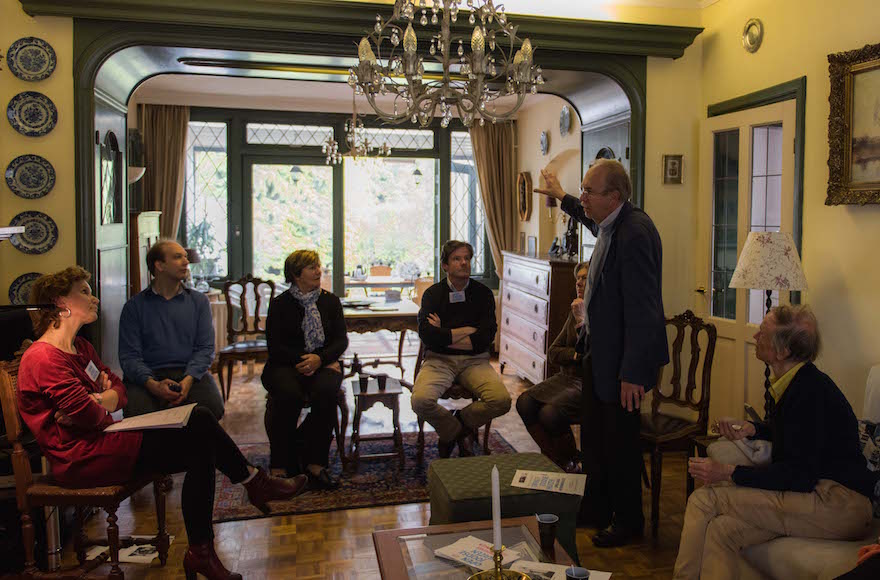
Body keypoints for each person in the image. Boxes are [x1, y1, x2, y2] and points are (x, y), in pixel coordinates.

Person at [18, 266, 307, 580]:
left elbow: (118, 391)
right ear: (60, 302)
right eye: (85, 292)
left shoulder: (81, 348)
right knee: (199, 425)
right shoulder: (45, 357)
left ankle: (204, 549)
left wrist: (100, 398)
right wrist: (100, 402)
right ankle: (249, 489)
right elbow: (90, 416)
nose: (95, 298)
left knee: (200, 440)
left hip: (104, 440)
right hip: (81, 458)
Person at [673, 305, 878, 580]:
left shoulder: (809, 392)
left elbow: (797, 475)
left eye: (763, 332)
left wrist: (727, 473)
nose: (756, 336)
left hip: (839, 504)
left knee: (704, 499)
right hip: (822, 496)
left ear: (782, 351)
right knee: (723, 531)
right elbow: (798, 436)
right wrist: (753, 428)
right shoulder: (797, 382)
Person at [536, 159, 668, 547]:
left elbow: (644, 309)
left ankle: (628, 522)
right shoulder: (611, 223)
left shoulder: (635, 233)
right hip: (600, 351)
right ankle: (596, 508)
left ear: (614, 196)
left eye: (589, 190)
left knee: (620, 445)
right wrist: (561, 195)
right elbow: (587, 216)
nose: (584, 197)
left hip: (624, 362)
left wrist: (632, 372)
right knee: (595, 439)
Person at [411, 240, 511, 458]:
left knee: (502, 401)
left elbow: (485, 337)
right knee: (420, 401)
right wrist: (467, 330)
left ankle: (461, 421)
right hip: (439, 360)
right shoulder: (432, 295)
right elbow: (427, 335)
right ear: (445, 265)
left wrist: (444, 333)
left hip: (475, 361)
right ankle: (454, 431)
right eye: (457, 258)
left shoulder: (483, 294)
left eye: (467, 258)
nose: (464, 263)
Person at [262, 250, 348, 489]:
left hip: (323, 363)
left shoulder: (330, 301)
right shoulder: (280, 304)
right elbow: (274, 346)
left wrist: (319, 359)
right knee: (287, 395)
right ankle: (281, 464)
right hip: (286, 364)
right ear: (296, 274)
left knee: (326, 393)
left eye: (319, 266)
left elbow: (341, 341)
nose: (319, 271)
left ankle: (315, 464)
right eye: (312, 267)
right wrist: (305, 360)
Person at [119, 240, 224, 420]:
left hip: (188, 373)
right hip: (148, 376)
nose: (186, 262)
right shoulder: (134, 307)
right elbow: (129, 357)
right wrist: (152, 385)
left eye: (185, 257)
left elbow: (205, 349)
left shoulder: (199, 302)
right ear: (159, 265)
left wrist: (188, 380)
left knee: (212, 407)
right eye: (177, 257)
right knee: (140, 416)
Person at [516, 262, 589, 471]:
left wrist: (576, 354)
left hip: (587, 382)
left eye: (585, 278)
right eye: (578, 278)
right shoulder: (575, 308)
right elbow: (553, 352)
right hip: (566, 377)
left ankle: (569, 461)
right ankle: (559, 460)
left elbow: (593, 356)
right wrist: (575, 354)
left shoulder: (600, 310)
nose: (579, 282)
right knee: (524, 402)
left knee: (549, 413)